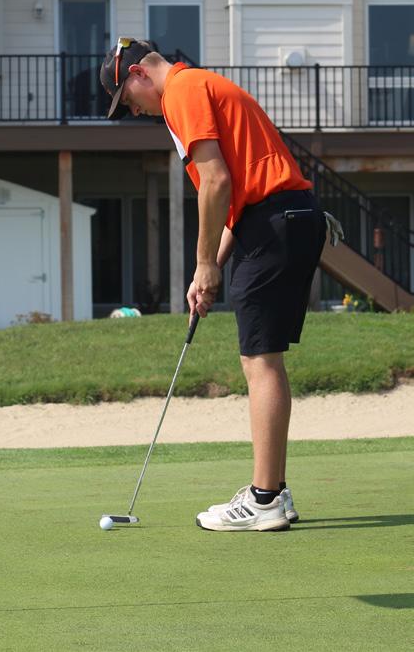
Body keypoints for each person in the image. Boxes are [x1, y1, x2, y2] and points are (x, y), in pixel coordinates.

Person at [99, 38, 327, 532]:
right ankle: (275, 491)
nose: (134, 111)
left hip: (273, 223)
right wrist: (208, 269)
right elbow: (235, 195)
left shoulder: (181, 92)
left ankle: (264, 499)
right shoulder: (201, 85)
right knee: (265, 358)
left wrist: (204, 263)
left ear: (138, 73)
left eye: (127, 100)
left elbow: (216, 182)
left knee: (259, 361)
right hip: (285, 218)